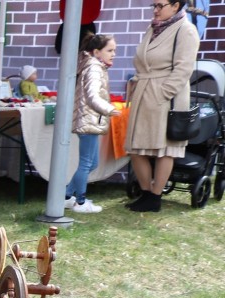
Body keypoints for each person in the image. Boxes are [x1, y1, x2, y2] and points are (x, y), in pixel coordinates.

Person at [124, 0, 200, 212]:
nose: (156, 10)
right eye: (154, 5)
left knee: (165, 148)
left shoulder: (186, 30)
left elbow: (184, 69)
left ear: (176, 6)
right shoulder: (153, 28)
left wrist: (163, 93)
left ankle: (154, 196)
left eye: (160, 5)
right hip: (144, 91)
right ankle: (146, 192)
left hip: (166, 96)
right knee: (135, 146)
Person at [64, 34, 121, 214]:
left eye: (114, 50)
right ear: (96, 52)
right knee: (86, 163)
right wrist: (108, 109)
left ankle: (66, 196)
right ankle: (80, 202)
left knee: (92, 163)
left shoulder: (93, 66)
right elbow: (92, 96)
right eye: (110, 50)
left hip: (90, 120)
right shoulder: (94, 68)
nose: (113, 54)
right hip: (89, 120)